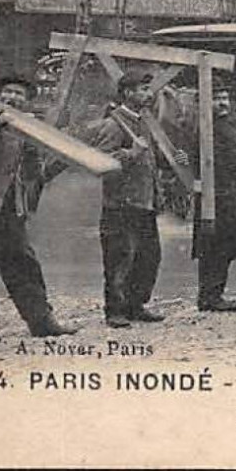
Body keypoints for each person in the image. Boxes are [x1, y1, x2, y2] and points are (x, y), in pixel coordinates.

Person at [0, 74, 76, 342]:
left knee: (24, 264)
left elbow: (34, 175)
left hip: (10, 208)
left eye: (19, 94)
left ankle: (41, 321)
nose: (12, 97)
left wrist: (35, 149)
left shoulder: (28, 129)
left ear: (26, 102)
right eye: (8, 92)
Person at [83, 71, 166, 328]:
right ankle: (115, 311)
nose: (148, 94)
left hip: (143, 203)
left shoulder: (142, 122)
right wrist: (131, 153)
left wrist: (158, 192)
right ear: (128, 93)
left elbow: (149, 163)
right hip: (120, 205)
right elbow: (100, 161)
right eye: (142, 89)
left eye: (148, 89)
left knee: (148, 257)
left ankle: (135, 305)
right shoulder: (114, 124)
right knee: (120, 258)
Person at [192, 79, 236, 313]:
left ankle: (214, 294)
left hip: (235, 196)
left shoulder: (232, 125)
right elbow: (183, 155)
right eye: (216, 99)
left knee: (225, 247)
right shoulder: (199, 127)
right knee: (212, 247)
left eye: (224, 98)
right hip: (214, 198)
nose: (222, 103)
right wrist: (187, 168)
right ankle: (208, 296)